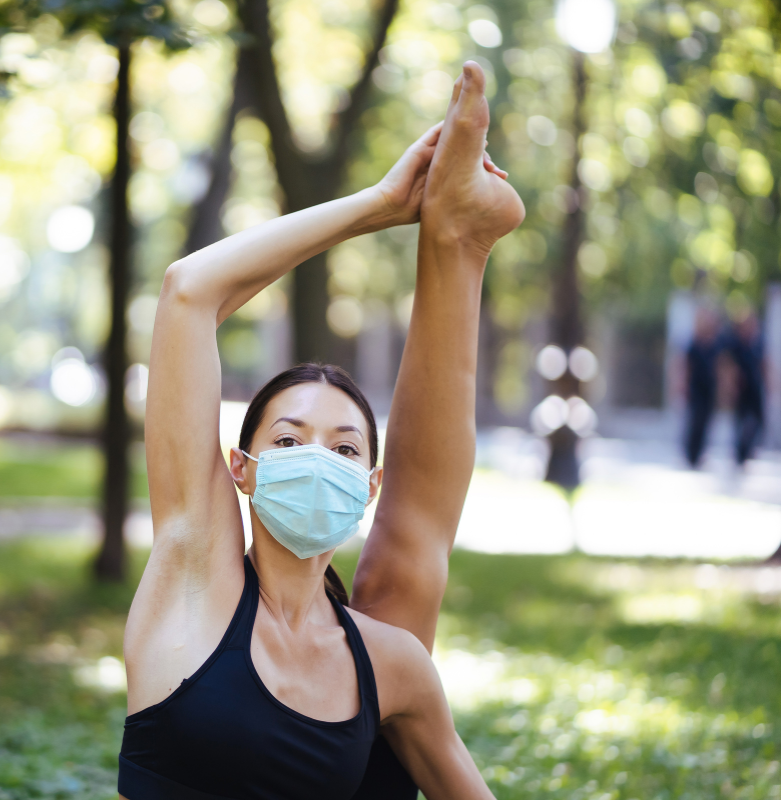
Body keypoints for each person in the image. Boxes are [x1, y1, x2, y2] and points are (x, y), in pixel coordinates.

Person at [118, 62, 524, 799]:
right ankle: (451, 234)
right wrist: (379, 205)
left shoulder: (390, 664)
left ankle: (459, 240)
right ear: (239, 468)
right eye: (287, 440)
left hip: (369, 675)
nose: (315, 458)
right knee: (403, 577)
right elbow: (188, 293)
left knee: (407, 571)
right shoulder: (190, 582)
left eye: (343, 448)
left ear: (369, 486)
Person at [725, 310, 765, 466]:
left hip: (755, 390)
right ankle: (739, 454)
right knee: (741, 423)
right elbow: (728, 366)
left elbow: (764, 364)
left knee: (757, 422)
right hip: (741, 390)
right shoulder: (734, 344)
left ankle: (747, 451)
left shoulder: (759, 343)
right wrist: (730, 387)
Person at [682, 307, 720, 467]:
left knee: (706, 422)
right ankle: (690, 455)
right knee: (694, 421)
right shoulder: (693, 343)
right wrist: (682, 385)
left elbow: (721, 366)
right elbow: (685, 366)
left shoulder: (716, 343)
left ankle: (700, 455)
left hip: (709, 389)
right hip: (695, 389)